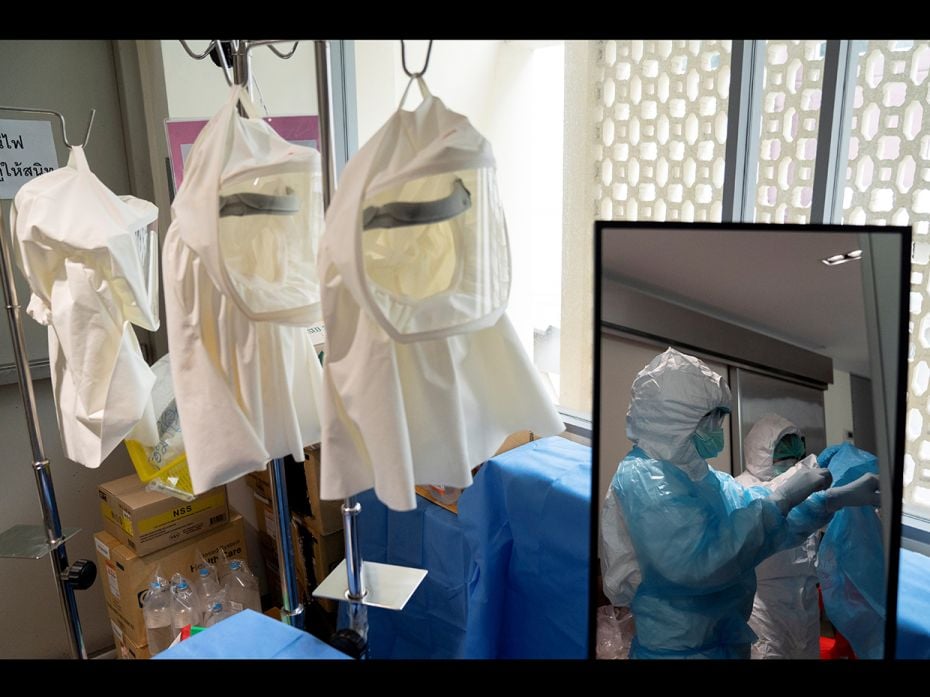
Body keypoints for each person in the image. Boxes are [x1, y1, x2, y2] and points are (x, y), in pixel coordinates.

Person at [599, 348, 880, 659]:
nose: (718, 428)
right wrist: (783, 497)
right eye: (711, 418)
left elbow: (763, 520)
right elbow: (698, 562)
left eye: (721, 416)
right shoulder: (645, 479)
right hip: (678, 650)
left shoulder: (708, 480)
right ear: (674, 419)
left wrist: (826, 502)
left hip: (725, 641)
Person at [735, 413, 821, 659]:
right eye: (785, 458)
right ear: (762, 455)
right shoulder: (742, 491)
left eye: (798, 457)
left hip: (804, 602)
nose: (794, 464)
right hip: (763, 606)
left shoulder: (804, 489)